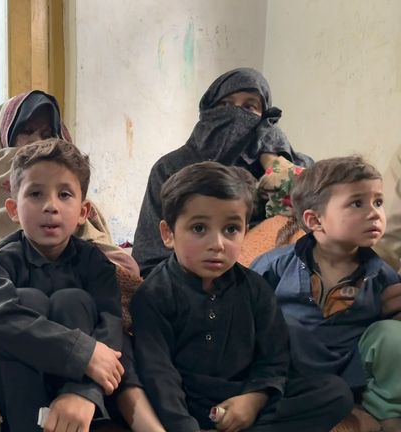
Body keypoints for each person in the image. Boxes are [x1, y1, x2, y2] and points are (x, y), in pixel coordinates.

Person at [130, 161, 352, 432]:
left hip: (243, 397)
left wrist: (254, 400)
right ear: (168, 234)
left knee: (335, 392)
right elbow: (158, 375)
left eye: (231, 229)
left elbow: (274, 358)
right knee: (145, 397)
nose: (217, 244)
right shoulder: (153, 295)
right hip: (185, 402)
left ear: (246, 231)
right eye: (199, 228)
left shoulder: (255, 289)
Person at [0, 139, 164, 432]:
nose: (51, 206)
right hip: (18, 391)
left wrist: (84, 390)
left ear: (84, 211)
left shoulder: (96, 263)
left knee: (73, 300)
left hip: (82, 392)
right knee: (28, 299)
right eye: (35, 194)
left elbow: (111, 325)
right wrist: (80, 351)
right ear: (13, 208)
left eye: (64, 195)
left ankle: (82, 415)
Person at [251, 156, 401, 432]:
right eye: (357, 203)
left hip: (349, 366)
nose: (374, 213)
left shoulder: (381, 274)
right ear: (315, 219)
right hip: (291, 370)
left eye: (378, 202)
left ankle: (384, 410)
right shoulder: (275, 265)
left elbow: (388, 314)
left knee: (392, 335)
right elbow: (244, 309)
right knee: (283, 326)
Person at [0, 90, 139, 275]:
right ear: (4, 137)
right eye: (26, 131)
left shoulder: (68, 198)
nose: (37, 141)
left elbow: (119, 269)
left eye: (47, 134)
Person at [132, 67, 313, 278]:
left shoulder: (294, 166)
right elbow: (150, 257)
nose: (236, 114)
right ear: (208, 111)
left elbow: (319, 224)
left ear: (266, 118)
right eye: (225, 105)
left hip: (276, 283)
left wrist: (272, 158)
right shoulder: (171, 167)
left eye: (249, 107)